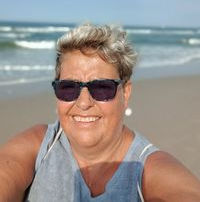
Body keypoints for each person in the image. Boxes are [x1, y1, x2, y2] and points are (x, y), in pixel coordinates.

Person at [0, 23, 200, 202]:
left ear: (126, 92)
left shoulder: (146, 168)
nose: (84, 102)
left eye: (102, 87)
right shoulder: (40, 145)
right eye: (68, 88)